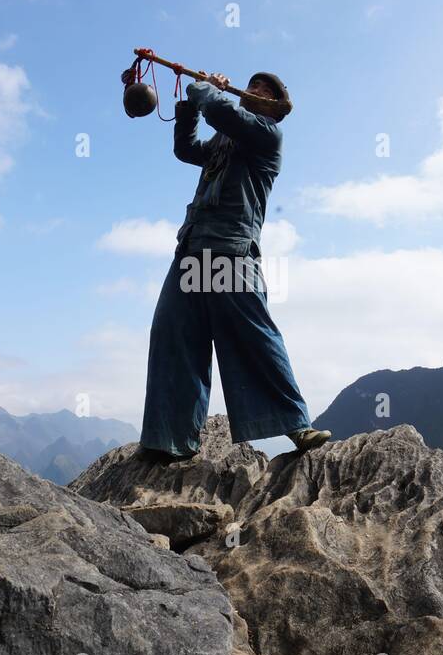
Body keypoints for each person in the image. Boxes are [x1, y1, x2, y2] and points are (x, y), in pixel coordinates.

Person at [138, 70, 330, 461]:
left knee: (252, 336)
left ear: (275, 107)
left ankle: (296, 424)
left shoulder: (265, 135)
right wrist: (190, 106)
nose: (255, 89)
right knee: (174, 336)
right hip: (193, 248)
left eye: (265, 89)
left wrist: (206, 91)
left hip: (230, 250)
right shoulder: (225, 139)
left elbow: (225, 114)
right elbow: (186, 149)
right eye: (254, 85)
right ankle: (170, 440)